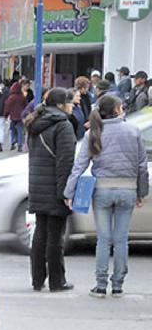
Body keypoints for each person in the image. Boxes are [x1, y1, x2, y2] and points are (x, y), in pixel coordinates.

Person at [64, 94, 149, 298]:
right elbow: (141, 167)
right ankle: (118, 285)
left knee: (103, 239)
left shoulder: (94, 132)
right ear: (117, 110)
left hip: (101, 191)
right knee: (121, 240)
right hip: (127, 190)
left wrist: (69, 191)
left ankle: (100, 285)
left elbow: (80, 165)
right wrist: (141, 192)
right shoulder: (134, 131)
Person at [24, 88, 76, 292]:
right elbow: (65, 162)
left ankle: (37, 279)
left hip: (37, 185)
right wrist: (66, 192)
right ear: (62, 104)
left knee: (40, 233)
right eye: (70, 102)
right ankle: (57, 280)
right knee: (55, 236)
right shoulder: (62, 126)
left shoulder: (36, 123)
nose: (73, 106)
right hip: (55, 186)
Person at [5, 78, 29, 151]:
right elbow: (26, 106)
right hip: (20, 117)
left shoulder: (11, 97)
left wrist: (6, 115)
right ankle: (20, 145)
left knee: (12, 130)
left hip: (12, 117)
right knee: (20, 131)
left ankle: (12, 143)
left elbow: (7, 106)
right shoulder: (22, 97)